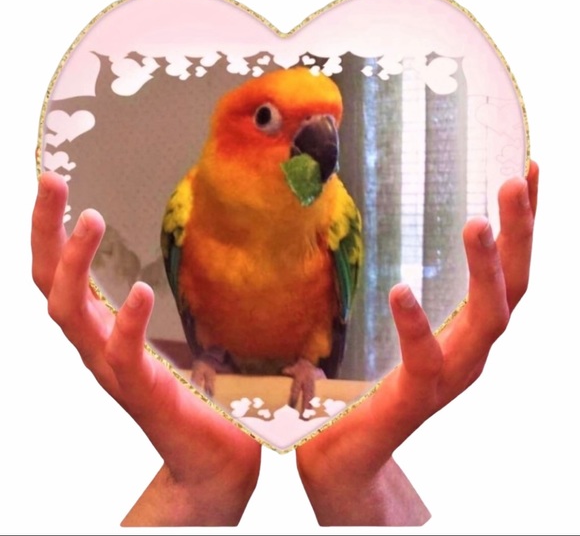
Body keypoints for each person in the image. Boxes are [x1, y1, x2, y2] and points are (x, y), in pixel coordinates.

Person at [30, 161, 539, 527]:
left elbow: (333, 317)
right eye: (267, 118)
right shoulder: (187, 205)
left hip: (305, 353)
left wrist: (340, 440)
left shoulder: (337, 211)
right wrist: (205, 378)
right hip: (219, 351)